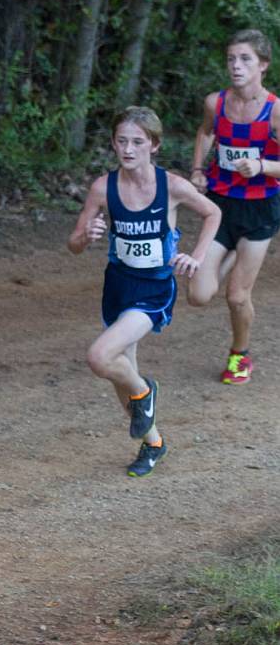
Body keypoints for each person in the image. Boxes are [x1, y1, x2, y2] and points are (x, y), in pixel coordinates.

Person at [68, 107, 220, 477]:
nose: (129, 149)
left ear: (154, 145)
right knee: (123, 376)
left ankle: (146, 390)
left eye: (138, 142)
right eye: (122, 141)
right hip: (118, 286)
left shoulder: (173, 186)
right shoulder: (103, 188)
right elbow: (73, 243)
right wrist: (86, 237)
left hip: (153, 290)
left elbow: (213, 213)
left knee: (100, 357)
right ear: (113, 144)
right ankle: (153, 443)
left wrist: (196, 258)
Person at [187, 28, 280, 384]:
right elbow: (206, 132)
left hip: (259, 209)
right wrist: (198, 168)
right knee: (198, 295)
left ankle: (240, 355)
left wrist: (263, 166)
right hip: (221, 206)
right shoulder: (216, 102)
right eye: (231, 59)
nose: (236, 66)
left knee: (237, 296)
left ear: (263, 65)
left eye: (245, 59)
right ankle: (227, 255)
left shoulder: (274, 111)